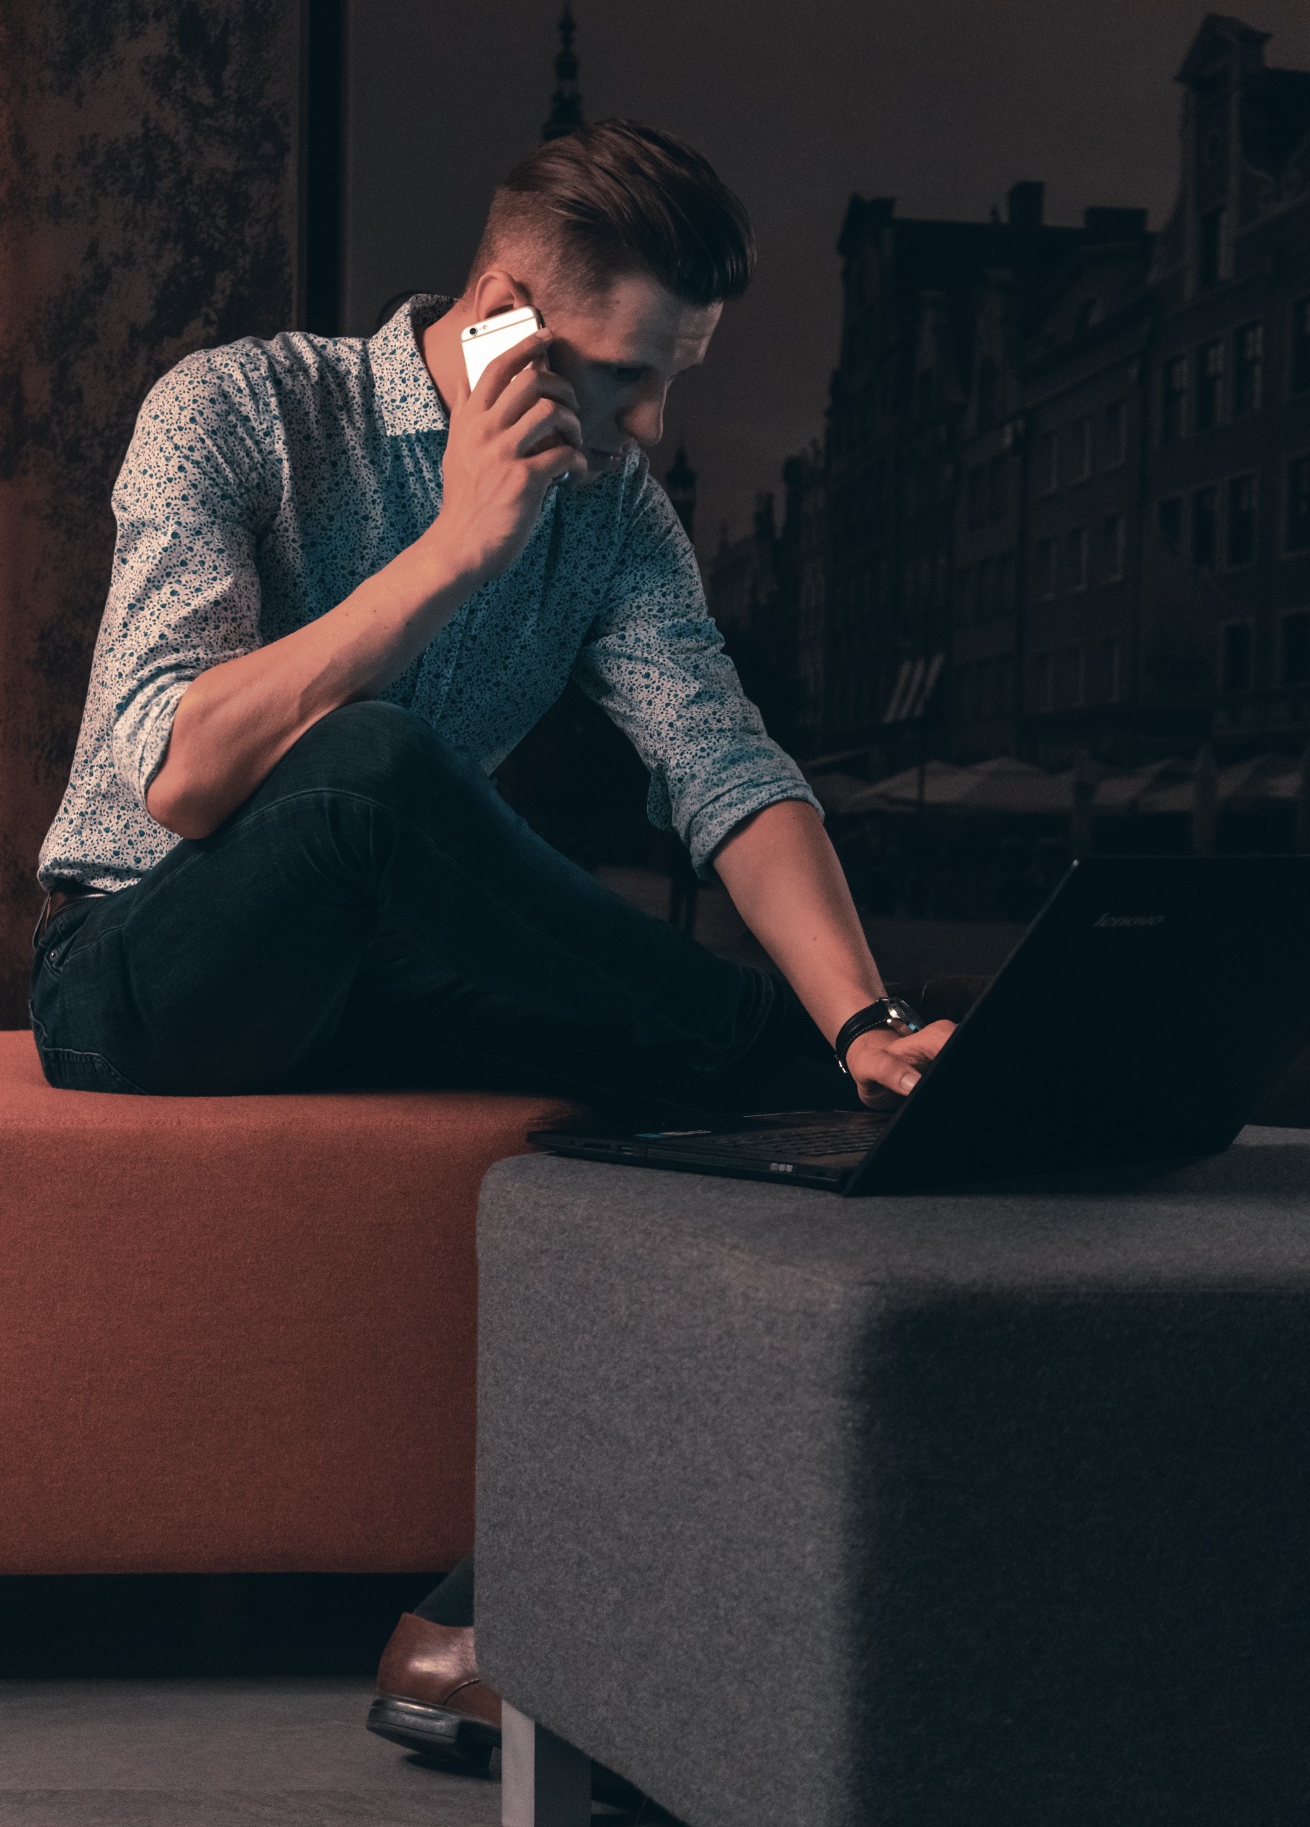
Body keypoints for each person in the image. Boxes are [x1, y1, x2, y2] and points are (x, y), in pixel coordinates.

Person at [30, 119, 954, 1769]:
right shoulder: (236, 409)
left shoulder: (613, 518)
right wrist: (457, 547)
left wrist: (863, 1023)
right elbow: (173, 774)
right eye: (623, 377)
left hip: (379, 992)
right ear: (507, 317)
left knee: (717, 1137)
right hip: (146, 982)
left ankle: (481, 1624)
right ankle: (756, 1053)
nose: (655, 425)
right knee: (379, 767)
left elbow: (726, 770)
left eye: (678, 379)